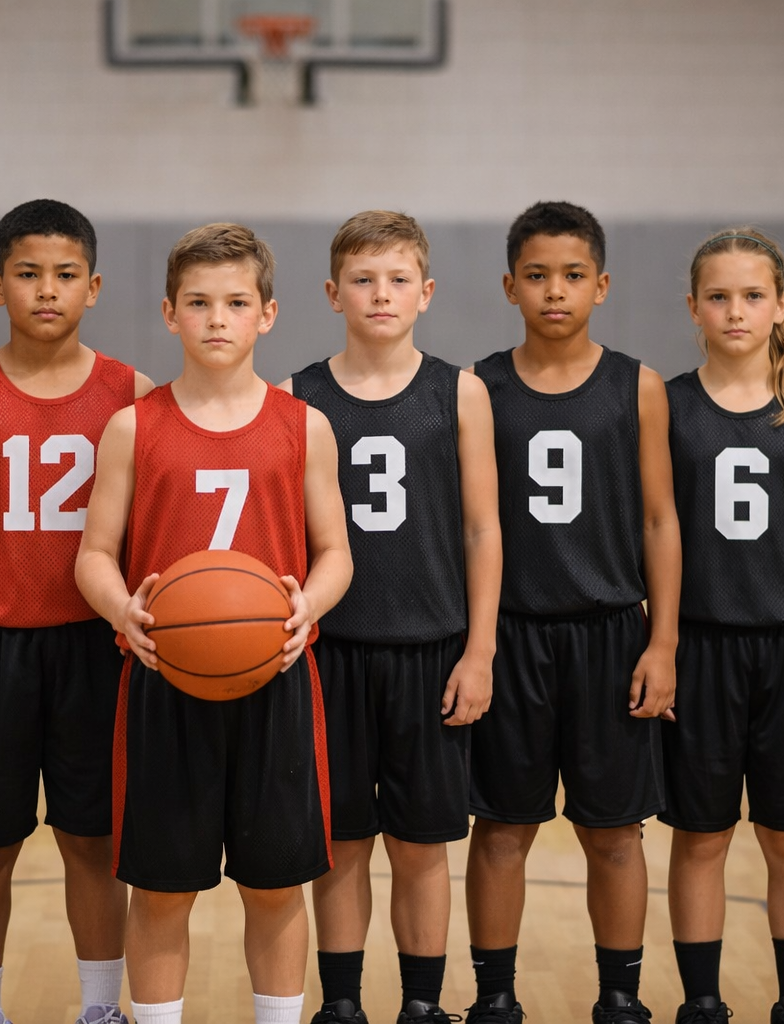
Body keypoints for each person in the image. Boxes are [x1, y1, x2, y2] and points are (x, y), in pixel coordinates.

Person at [75, 222, 353, 1024]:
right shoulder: (135, 426)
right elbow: (93, 554)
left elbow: (336, 552)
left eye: (236, 302)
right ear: (170, 314)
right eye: (199, 303)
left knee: (276, 885)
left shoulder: (304, 426)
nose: (218, 319)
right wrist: (123, 609)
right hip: (167, 678)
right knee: (161, 892)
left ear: (268, 314)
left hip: (277, 679)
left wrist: (311, 604)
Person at [0, 199, 153, 1024]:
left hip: (94, 647)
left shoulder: (131, 391)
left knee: (93, 843)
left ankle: (98, 1010)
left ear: (93, 286)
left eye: (63, 276)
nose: (45, 291)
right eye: (26, 274)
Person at [464, 201, 681, 1024]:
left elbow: (660, 520)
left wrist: (662, 640)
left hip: (610, 635)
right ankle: (495, 996)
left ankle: (619, 995)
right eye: (538, 276)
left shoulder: (638, 385)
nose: (556, 291)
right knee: (502, 828)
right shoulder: (478, 386)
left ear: (603, 284)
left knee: (615, 832)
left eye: (574, 275)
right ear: (510, 286)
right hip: (513, 635)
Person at [282, 210, 499, 1024]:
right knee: (338, 842)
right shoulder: (295, 396)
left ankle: (421, 1006)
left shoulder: (460, 391)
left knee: (422, 844)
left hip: (432, 651)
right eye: (364, 280)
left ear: (427, 292)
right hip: (330, 653)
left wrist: (479, 650)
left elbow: (483, 528)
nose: (381, 294)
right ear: (333, 293)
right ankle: (341, 1005)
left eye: (398, 279)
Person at [662, 228, 784, 1024]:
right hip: (703, 647)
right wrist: (662, 645)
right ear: (693, 308)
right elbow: (655, 528)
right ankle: (702, 1001)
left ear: (782, 306)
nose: (735, 311)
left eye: (752, 296)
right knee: (700, 838)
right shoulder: (666, 406)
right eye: (719, 296)